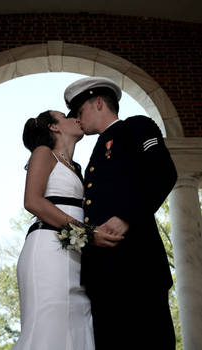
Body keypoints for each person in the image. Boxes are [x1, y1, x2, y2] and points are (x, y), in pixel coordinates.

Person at [64, 76, 178, 350]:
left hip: (138, 266)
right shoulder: (95, 154)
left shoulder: (136, 127)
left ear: (99, 102)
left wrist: (126, 216)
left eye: (80, 112)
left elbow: (163, 173)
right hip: (102, 275)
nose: (78, 120)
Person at [12, 110, 95, 350]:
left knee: (79, 326)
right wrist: (87, 233)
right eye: (65, 116)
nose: (76, 117)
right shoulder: (44, 153)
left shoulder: (77, 169)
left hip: (74, 251)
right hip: (48, 250)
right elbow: (33, 202)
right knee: (50, 325)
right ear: (54, 127)